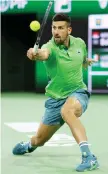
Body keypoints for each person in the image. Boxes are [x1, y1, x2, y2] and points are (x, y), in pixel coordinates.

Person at [12, 13, 99, 172]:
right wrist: (34, 53)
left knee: (68, 111)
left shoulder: (80, 43)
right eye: (54, 28)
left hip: (78, 93)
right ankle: (29, 145)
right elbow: (42, 54)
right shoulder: (49, 47)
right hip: (55, 99)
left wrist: (86, 61)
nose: (56, 31)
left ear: (69, 30)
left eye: (60, 28)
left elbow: (82, 58)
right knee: (39, 139)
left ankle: (89, 157)